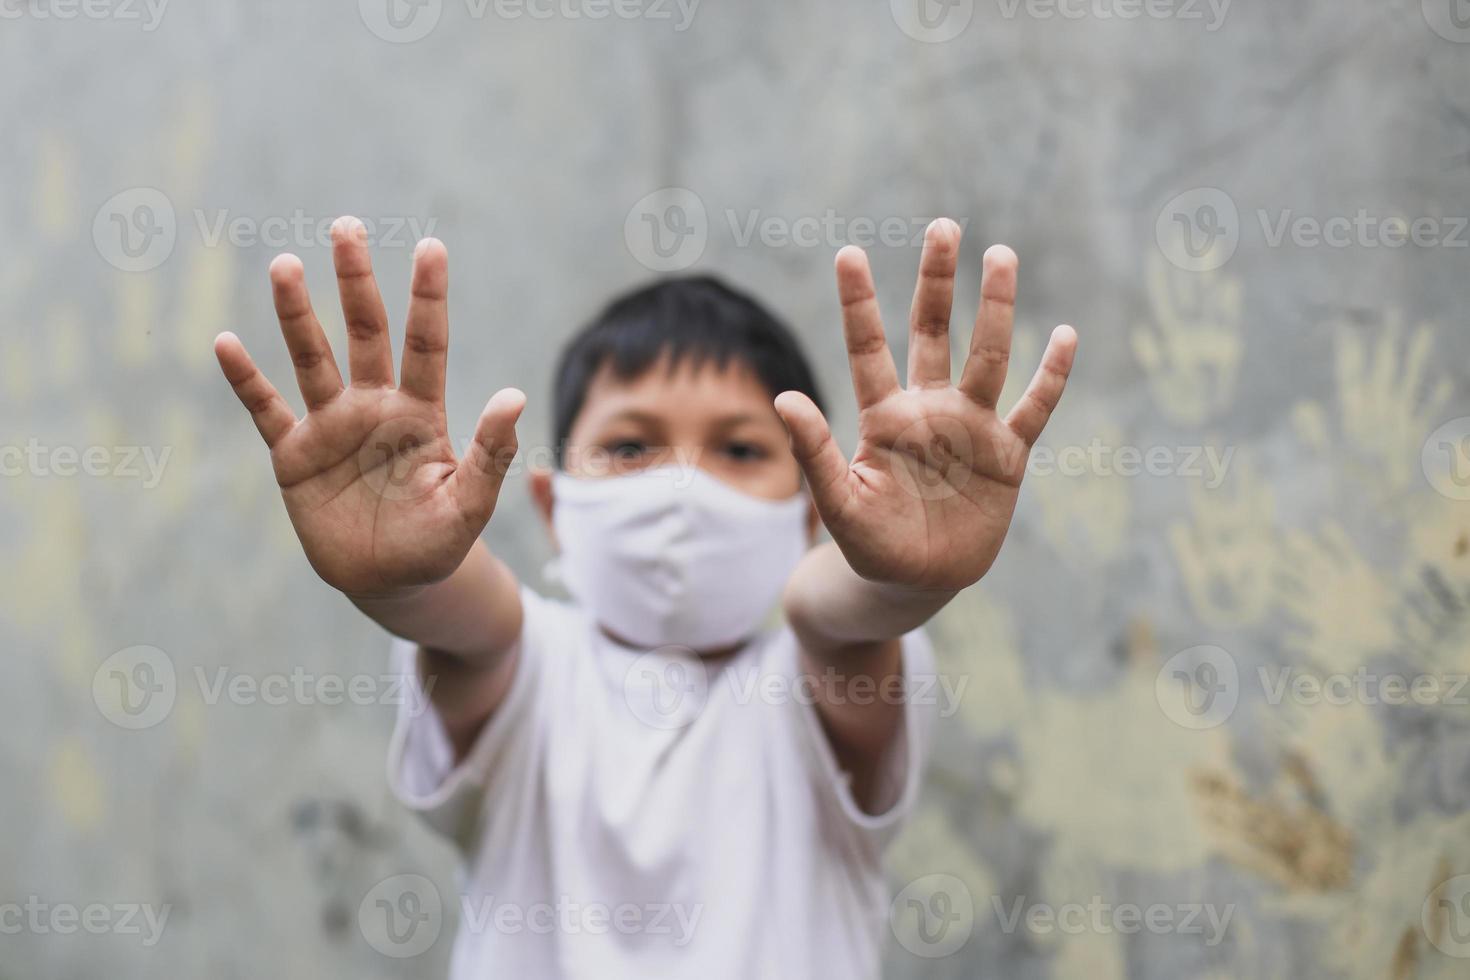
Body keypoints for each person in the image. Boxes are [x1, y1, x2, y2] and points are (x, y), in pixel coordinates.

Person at [212, 215, 1076, 979]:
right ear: (554, 507)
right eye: (630, 447)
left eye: (740, 451)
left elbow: (837, 617)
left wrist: (901, 571)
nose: (680, 487)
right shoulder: (529, 671)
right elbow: (463, 616)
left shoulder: (821, 689)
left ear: (816, 511)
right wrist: (403, 569)